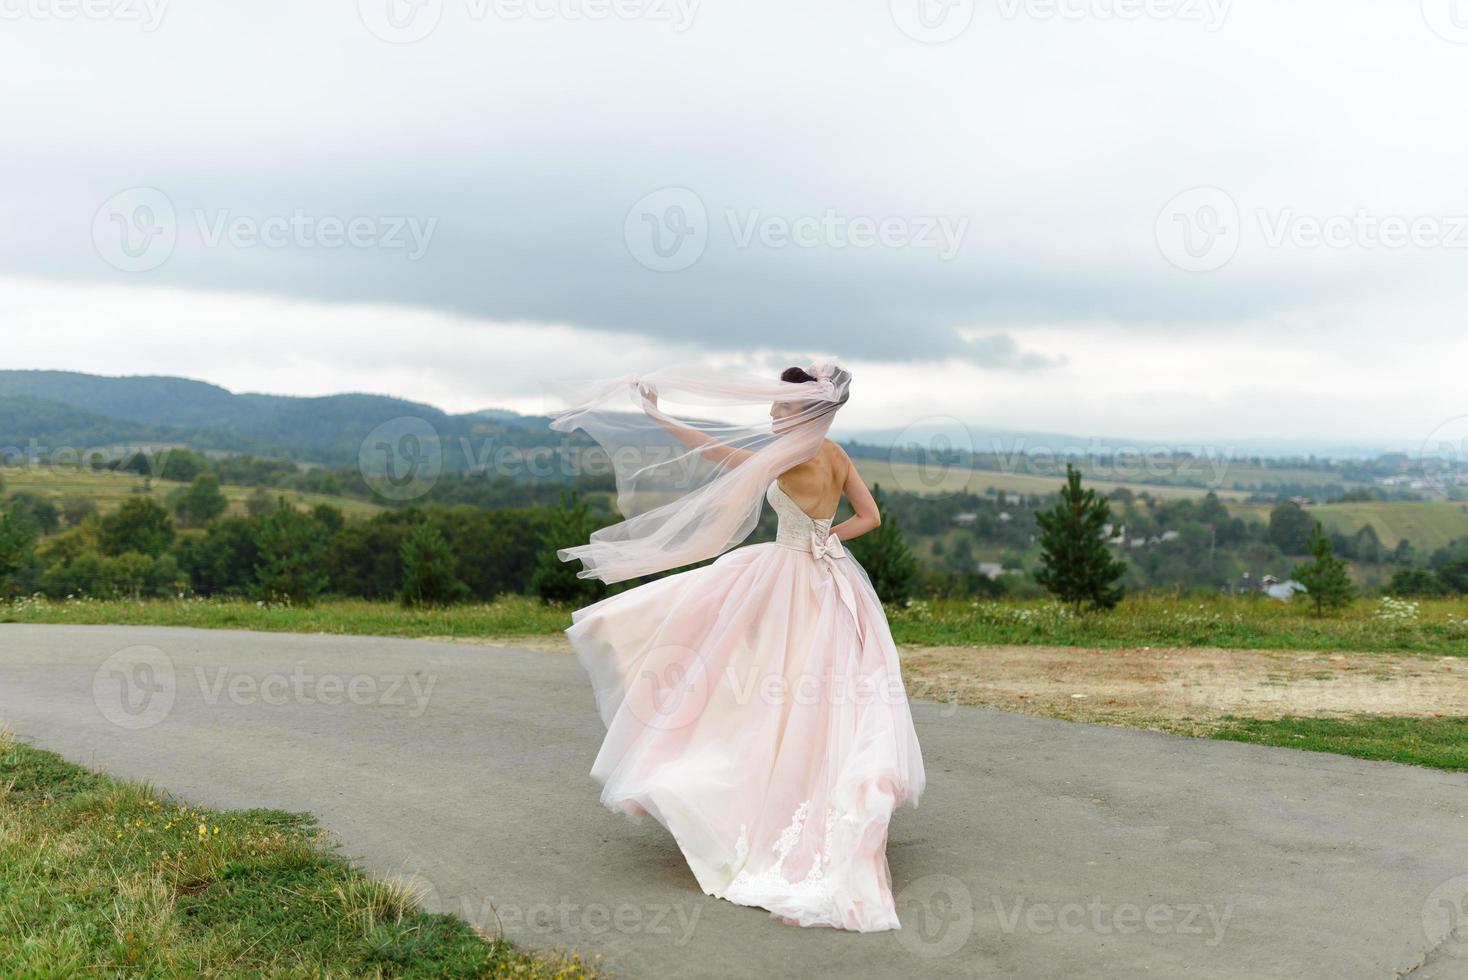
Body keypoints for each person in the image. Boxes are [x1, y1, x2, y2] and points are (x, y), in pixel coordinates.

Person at [549, 361, 925, 931]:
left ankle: (738, 797)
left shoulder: (789, 456)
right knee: (814, 692)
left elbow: (711, 452)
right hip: (831, 578)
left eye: (779, 405)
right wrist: (827, 540)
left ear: (802, 411)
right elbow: (870, 518)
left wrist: (658, 414)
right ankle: (804, 787)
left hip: (784, 576)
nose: (771, 413)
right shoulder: (837, 454)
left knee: (735, 670)